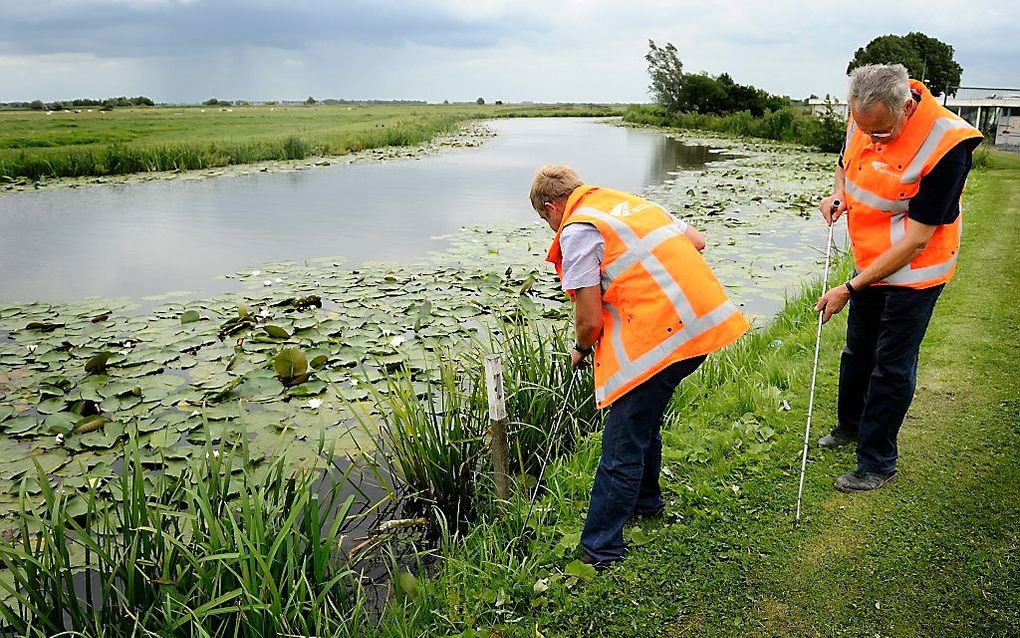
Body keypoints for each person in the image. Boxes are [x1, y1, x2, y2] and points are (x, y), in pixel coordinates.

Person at [529, 165, 749, 566]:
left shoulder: (577, 229)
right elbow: (696, 241)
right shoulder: (627, 204)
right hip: (700, 325)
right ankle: (646, 502)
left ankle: (600, 549)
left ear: (551, 207)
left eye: (547, 221)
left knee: (622, 441)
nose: (553, 230)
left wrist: (580, 347)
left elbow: (590, 320)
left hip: (664, 337)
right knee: (642, 416)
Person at [814, 64, 982, 492]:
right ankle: (850, 426)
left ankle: (877, 462)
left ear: (906, 106)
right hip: (871, 260)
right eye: (864, 127)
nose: (872, 138)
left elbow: (919, 239)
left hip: (916, 270)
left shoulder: (948, 143)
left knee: (890, 366)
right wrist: (839, 193)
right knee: (857, 353)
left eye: (882, 132)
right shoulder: (865, 114)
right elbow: (844, 165)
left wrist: (849, 288)